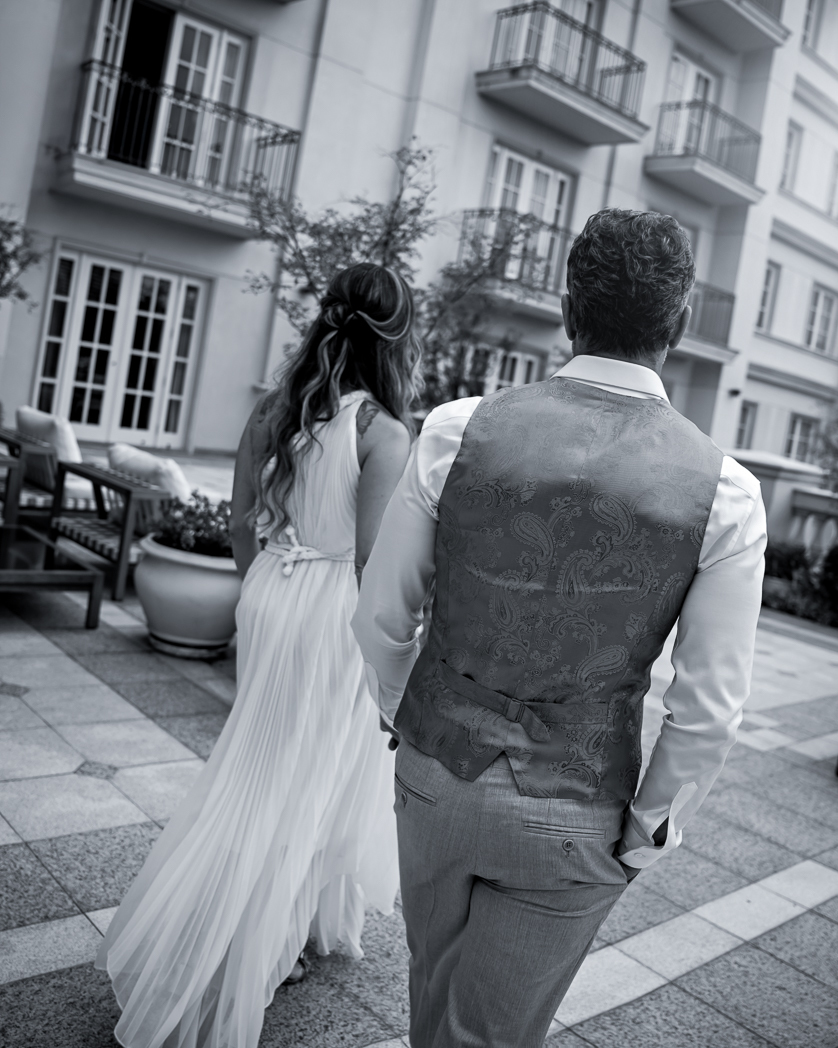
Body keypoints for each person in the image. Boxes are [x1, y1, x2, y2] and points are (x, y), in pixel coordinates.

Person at [352, 210, 767, 1048]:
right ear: (679, 324)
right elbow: (711, 708)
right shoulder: (725, 491)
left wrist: (414, 722)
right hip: (577, 809)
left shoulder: (455, 430)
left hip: (434, 774)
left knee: (430, 995)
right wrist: (649, 827)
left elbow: (381, 616)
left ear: (567, 306)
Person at [96, 262, 421, 1048]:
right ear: (397, 342)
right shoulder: (381, 433)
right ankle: (258, 942)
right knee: (310, 774)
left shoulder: (277, 409)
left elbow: (243, 521)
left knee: (262, 760)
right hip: (331, 612)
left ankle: (288, 918)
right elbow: (374, 559)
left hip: (275, 591)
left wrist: (269, 587)